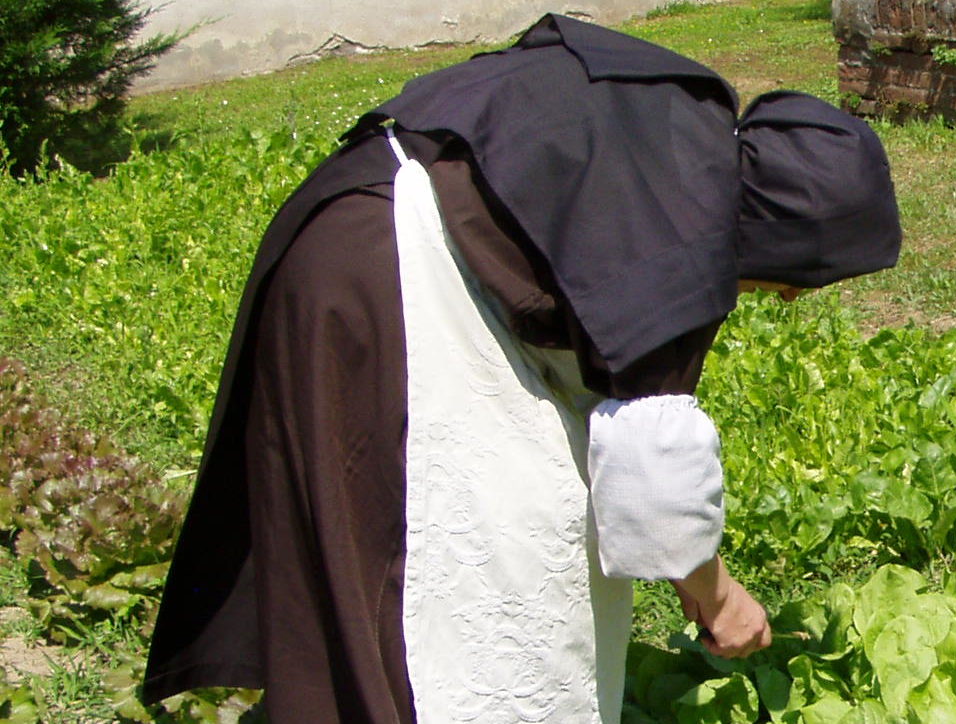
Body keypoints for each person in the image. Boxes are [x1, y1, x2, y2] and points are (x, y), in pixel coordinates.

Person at [141, 15, 900, 722]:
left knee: (354, 559)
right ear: (792, 234)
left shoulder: (677, 137)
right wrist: (719, 595)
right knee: (423, 555)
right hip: (385, 277)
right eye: (798, 280)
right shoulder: (689, 224)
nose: (786, 298)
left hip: (342, 233)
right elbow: (647, 471)